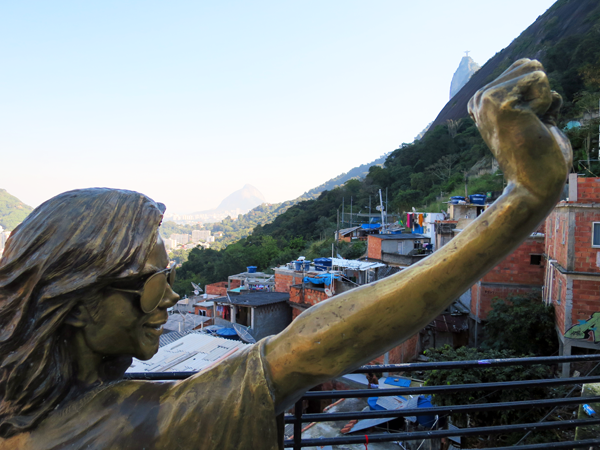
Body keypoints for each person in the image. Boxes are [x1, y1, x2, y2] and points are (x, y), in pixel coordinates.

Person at [0, 59, 571, 449]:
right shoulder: (124, 429)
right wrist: (525, 197)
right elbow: (306, 348)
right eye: (151, 282)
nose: (170, 295)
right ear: (75, 303)